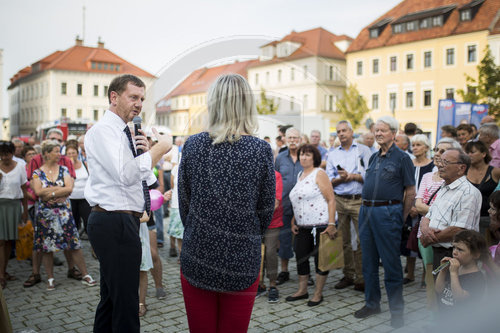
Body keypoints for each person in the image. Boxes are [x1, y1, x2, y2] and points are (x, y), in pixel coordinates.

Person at [177, 74, 275, 333]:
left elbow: (184, 203)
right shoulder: (260, 150)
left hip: (199, 253)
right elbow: (265, 209)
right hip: (242, 257)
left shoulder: (193, 145)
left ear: (213, 103)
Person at [84, 74, 172, 333]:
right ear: (114, 97)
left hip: (125, 220)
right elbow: (125, 175)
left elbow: (145, 178)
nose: (139, 104)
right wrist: (161, 148)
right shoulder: (103, 131)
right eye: (133, 97)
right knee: (126, 304)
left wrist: (147, 152)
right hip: (114, 220)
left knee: (112, 300)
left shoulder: (125, 132)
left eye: (142, 99)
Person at [353, 116, 415, 329]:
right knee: (368, 263)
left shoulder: (403, 158)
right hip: (366, 211)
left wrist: (401, 216)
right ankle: (372, 303)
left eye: (383, 130)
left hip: (388, 212)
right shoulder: (373, 157)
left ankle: (397, 312)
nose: (378, 133)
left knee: (391, 265)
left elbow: (410, 191)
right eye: (376, 130)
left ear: (394, 133)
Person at [31, 140, 96, 290]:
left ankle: (85, 273)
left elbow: (69, 188)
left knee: (73, 243)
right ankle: (50, 278)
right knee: (47, 246)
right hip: (45, 215)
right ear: (46, 154)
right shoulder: (37, 173)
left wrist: (51, 192)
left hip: (64, 213)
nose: (59, 154)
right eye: (55, 151)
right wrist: (59, 191)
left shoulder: (64, 170)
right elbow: (38, 192)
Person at [287, 144, 336, 306]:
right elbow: (300, 199)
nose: (303, 157)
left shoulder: (319, 173)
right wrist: (294, 219)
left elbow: (331, 199)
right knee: (301, 257)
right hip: (302, 225)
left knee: (321, 260)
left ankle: (318, 293)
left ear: (314, 157)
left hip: (321, 224)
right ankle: (302, 290)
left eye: (308, 155)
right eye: (301, 154)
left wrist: (331, 223)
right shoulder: (300, 174)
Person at [326, 120, 371, 292]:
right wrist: (340, 179)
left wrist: (352, 176)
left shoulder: (363, 150)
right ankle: (348, 274)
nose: (341, 134)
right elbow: (328, 180)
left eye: (344, 130)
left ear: (352, 132)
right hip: (340, 199)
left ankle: (362, 277)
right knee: (343, 240)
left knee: (361, 240)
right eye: (338, 131)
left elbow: (369, 174)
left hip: (359, 199)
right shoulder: (332, 154)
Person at [420, 149, 481, 269]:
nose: (440, 165)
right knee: (439, 286)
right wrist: (425, 229)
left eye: (446, 162)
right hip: (439, 250)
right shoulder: (444, 187)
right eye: (440, 161)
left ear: (461, 168)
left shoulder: (468, 193)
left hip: (454, 254)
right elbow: (428, 215)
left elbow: (459, 229)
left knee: (451, 287)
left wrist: (429, 239)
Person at [403, 134, 434, 284]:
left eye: (418, 145)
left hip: (424, 208)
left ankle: (425, 275)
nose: (414, 148)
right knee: (409, 240)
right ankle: (409, 274)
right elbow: (404, 186)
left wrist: (419, 207)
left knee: (423, 239)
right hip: (409, 207)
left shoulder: (432, 166)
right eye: (413, 145)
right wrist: (408, 206)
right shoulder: (409, 163)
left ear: (426, 148)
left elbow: (432, 188)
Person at [275, 127, 303, 285]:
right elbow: (276, 179)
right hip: (284, 205)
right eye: (290, 137)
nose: (292, 140)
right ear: (285, 139)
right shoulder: (280, 158)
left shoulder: (306, 156)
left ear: (300, 139)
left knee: (303, 241)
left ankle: (303, 272)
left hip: (303, 206)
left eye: (295, 137)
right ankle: (284, 271)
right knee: (284, 239)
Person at [435, 230, 487, 313]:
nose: (454, 252)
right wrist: (443, 271)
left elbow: (459, 297)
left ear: (476, 254)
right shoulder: (455, 268)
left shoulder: (477, 278)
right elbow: (438, 289)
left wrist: (454, 273)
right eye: (454, 247)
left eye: (460, 249)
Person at [0, 141, 28, 289]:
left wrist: (25, 211)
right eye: (2, 154)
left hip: (13, 206)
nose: (4, 157)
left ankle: (3, 271)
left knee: (9, 242)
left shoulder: (20, 167)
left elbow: (24, 190)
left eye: (7, 154)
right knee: (1, 242)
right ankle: (1, 274)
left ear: (12, 153)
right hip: (0, 206)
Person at [464, 141, 500, 246]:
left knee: (489, 253)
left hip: (490, 220)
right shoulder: (463, 172)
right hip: (468, 219)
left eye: (472, 152)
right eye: (467, 152)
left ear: (484, 154)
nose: (469, 155)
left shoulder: (495, 172)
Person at [256, 170, 283, 303]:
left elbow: (276, 203)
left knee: (271, 252)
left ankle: (273, 284)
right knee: (257, 253)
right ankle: (259, 284)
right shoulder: (250, 173)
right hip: (254, 223)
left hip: (272, 222)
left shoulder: (276, 175)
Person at [65, 143, 91, 237]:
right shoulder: (65, 168)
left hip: (84, 198)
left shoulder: (85, 164)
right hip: (71, 198)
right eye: (69, 153)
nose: (72, 155)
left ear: (77, 153)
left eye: (73, 153)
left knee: (88, 222)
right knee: (73, 223)